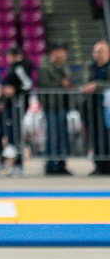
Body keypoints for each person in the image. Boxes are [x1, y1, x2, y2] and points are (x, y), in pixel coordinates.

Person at [38, 42, 73, 175]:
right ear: (54, 52)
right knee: (52, 136)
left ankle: (62, 164)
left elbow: (68, 80)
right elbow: (45, 85)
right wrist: (61, 83)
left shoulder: (63, 66)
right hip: (51, 107)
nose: (64, 55)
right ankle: (51, 164)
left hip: (63, 105)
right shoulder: (45, 67)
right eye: (62, 51)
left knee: (62, 135)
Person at [1, 47, 33, 176]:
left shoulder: (19, 67)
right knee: (12, 136)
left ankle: (19, 165)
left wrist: (15, 91)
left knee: (17, 136)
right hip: (12, 106)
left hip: (17, 106)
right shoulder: (14, 67)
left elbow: (27, 84)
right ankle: (14, 164)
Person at [80, 40, 110, 175]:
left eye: (100, 51)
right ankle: (99, 165)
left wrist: (97, 86)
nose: (97, 54)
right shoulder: (90, 67)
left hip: (106, 107)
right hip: (91, 106)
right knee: (94, 136)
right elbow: (83, 82)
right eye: (95, 52)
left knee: (106, 135)